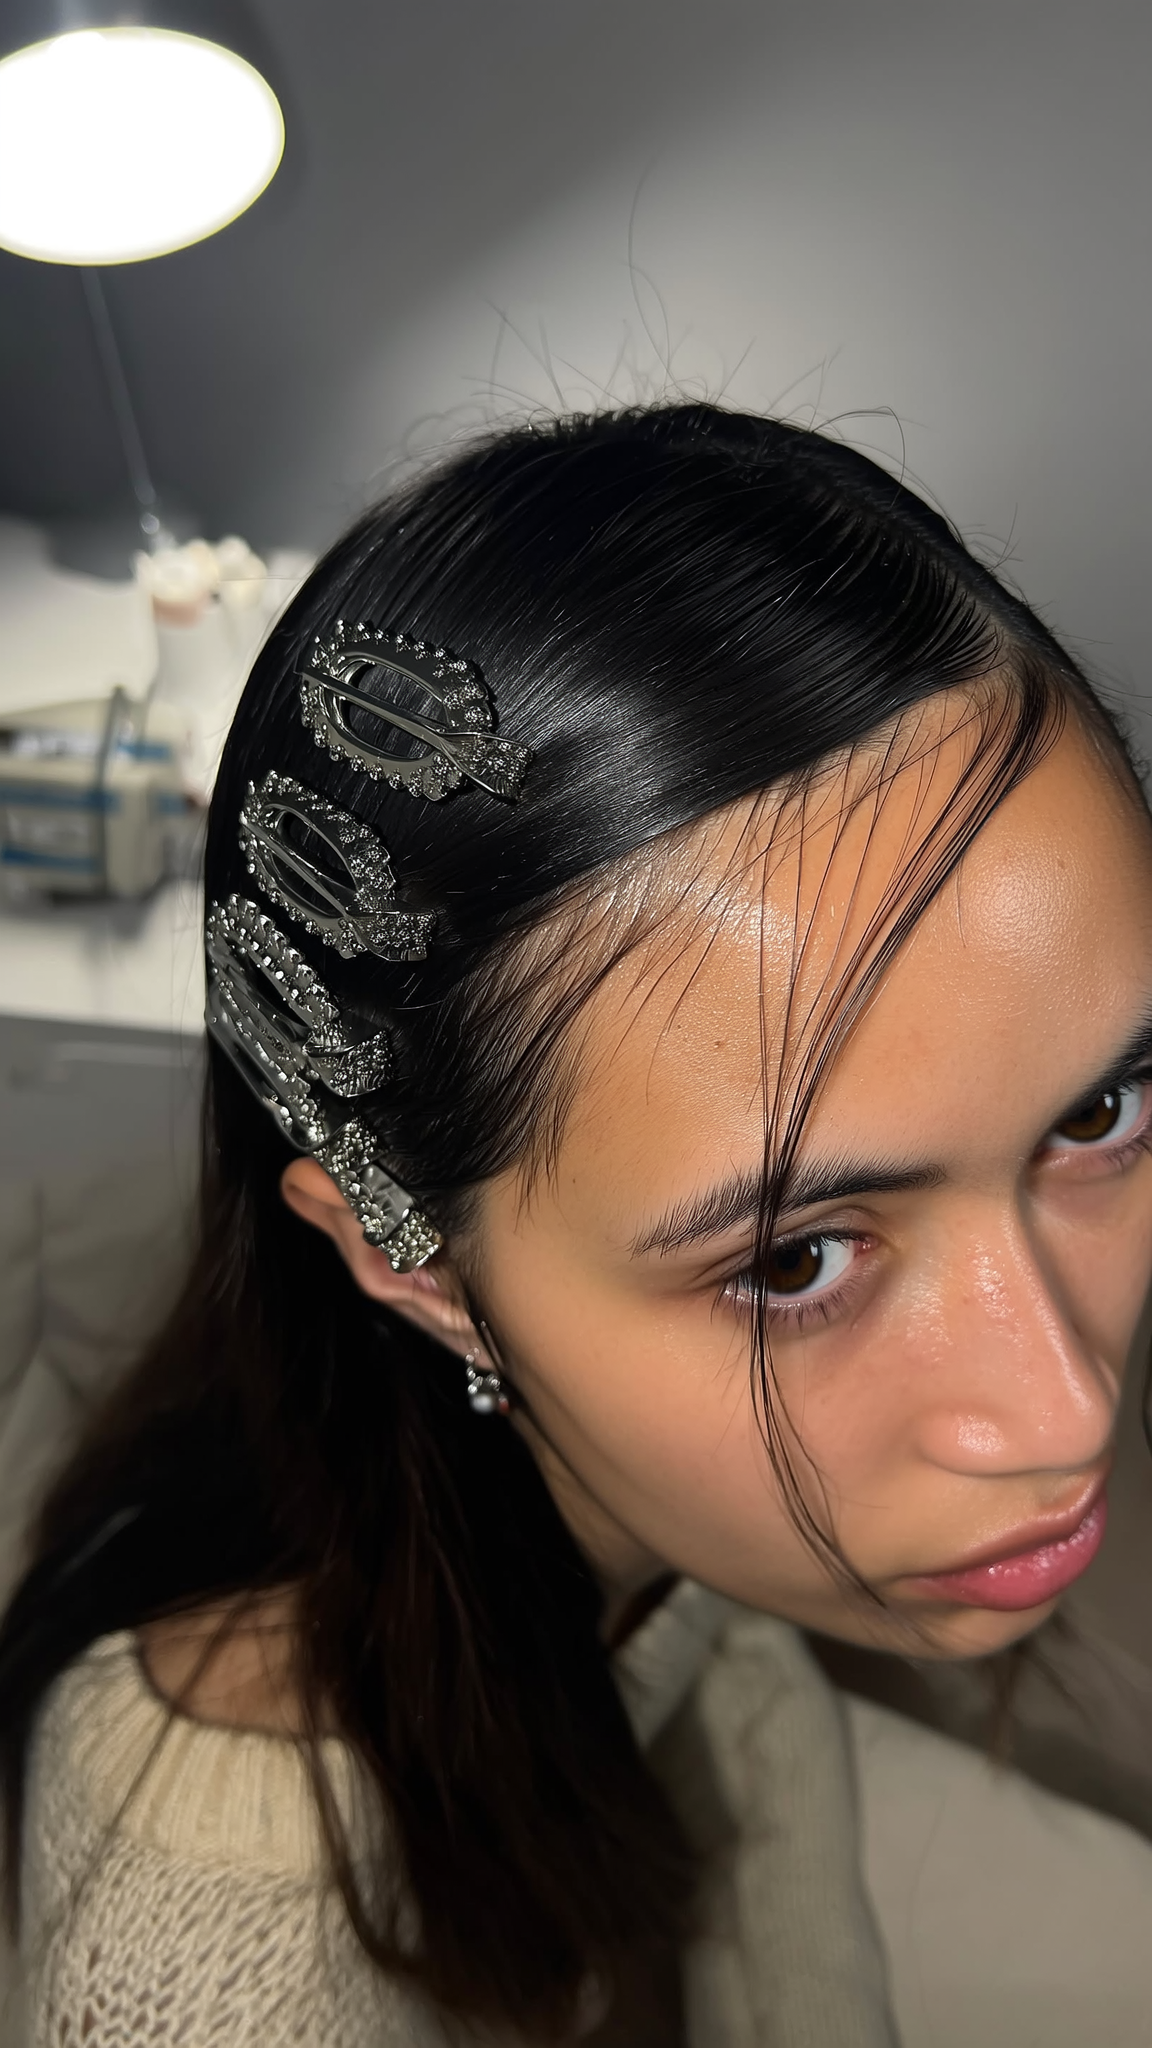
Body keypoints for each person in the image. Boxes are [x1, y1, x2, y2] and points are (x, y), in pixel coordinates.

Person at [3, 402, 1152, 2047]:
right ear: (412, 1263)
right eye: (796, 1260)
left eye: (1098, 1115)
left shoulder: (621, 1497)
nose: (1068, 1409)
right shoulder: (206, 1967)